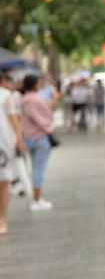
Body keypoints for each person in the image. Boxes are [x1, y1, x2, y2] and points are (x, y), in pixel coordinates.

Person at [20, 74, 56, 211]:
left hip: (28, 137)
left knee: (35, 167)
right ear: (35, 84)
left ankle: (36, 198)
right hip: (39, 137)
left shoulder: (23, 99)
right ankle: (36, 199)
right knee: (39, 169)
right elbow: (44, 117)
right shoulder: (35, 100)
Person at [0, 74, 26, 234]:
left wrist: (19, 139)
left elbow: (14, 119)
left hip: (3, 144)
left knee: (3, 181)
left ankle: (2, 217)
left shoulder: (5, 95)